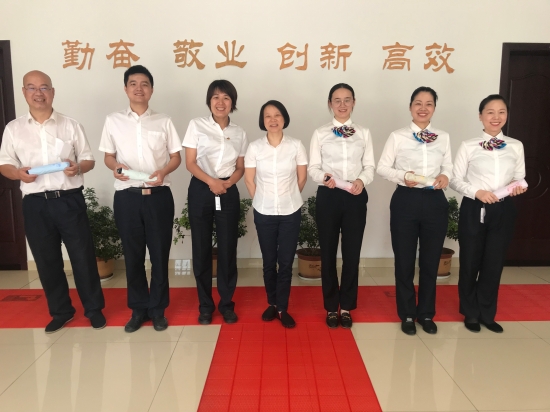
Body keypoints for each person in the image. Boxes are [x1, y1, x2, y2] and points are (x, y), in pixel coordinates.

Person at [0, 70, 106, 333]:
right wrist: (18, 174)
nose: (38, 93)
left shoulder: (70, 125)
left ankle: (94, 310)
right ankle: (61, 312)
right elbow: (4, 164)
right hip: (35, 204)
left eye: (44, 87)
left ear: (53, 92)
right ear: (24, 92)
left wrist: (77, 168)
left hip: (68, 200)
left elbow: (88, 160)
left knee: (82, 257)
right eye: (32, 88)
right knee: (47, 261)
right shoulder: (13, 129)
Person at [99, 65, 182, 333]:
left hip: (158, 196)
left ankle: (158, 310)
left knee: (159, 255)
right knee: (133, 256)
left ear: (151, 90)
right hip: (127, 197)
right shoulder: (113, 120)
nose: (139, 88)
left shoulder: (164, 121)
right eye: (133, 83)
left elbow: (176, 157)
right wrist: (115, 167)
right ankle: (138, 310)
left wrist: (164, 171)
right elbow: (108, 156)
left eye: (144, 84)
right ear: (125, 89)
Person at [377, 86, 452, 336]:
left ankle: (426, 313)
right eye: (418, 103)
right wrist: (403, 176)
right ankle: (407, 313)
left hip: (435, 201)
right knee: (405, 261)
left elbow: (448, 167)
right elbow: (382, 167)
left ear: (434, 108)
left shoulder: (443, 136)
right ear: (410, 107)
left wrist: (445, 175)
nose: (423, 108)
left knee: (431, 261)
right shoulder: (398, 136)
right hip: (405, 200)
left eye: (429, 104)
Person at [450, 94, 526, 333]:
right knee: (470, 261)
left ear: (507, 115)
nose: (496, 117)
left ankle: (487, 313)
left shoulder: (515, 145)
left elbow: (519, 177)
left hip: (503, 208)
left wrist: (518, 186)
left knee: (494, 262)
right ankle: (470, 313)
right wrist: (477, 192)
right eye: (490, 112)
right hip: (475, 207)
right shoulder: (469, 145)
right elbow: (454, 179)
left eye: (501, 112)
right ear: (480, 116)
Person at [308, 83, 375, 329]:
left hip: (355, 196)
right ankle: (330, 307)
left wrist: (361, 181)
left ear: (354, 102)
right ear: (330, 104)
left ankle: (346, 306)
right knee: (327, 253)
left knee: (351, 254)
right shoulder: (320, 133)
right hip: (329, 196)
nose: (342, 104)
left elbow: (369, 166)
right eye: (337, 100)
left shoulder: (363, 133)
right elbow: (313, 167)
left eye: (347, 100)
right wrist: (324, 178)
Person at [182, 80, 248, 325]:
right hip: (201, 189)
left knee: (228, 249)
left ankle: (227, 304)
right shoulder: (196, 125)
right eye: (216, 97)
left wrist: (227, 183)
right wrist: (212, 182)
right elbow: (190, 163)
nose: (221, 102)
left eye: (226, 98)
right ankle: (205, 306)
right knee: (201, 249)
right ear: (209, 101)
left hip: (227, 190)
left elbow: (240, 167)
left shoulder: (239, 132)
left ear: (233, 102)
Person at [244, 100, 307, 328]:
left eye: (277, 115)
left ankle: (282, 308)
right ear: (263, 121)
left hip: (291, 211)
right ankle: (271, 303)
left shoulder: (296, 145)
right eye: (268, 116)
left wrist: (289, 197)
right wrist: (262, 201)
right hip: (264, 212)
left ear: (284, 118)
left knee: (286, 262)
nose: (273, 119)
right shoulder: (255, 148)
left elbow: (302, 178)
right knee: (269, 262)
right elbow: (249, 180)